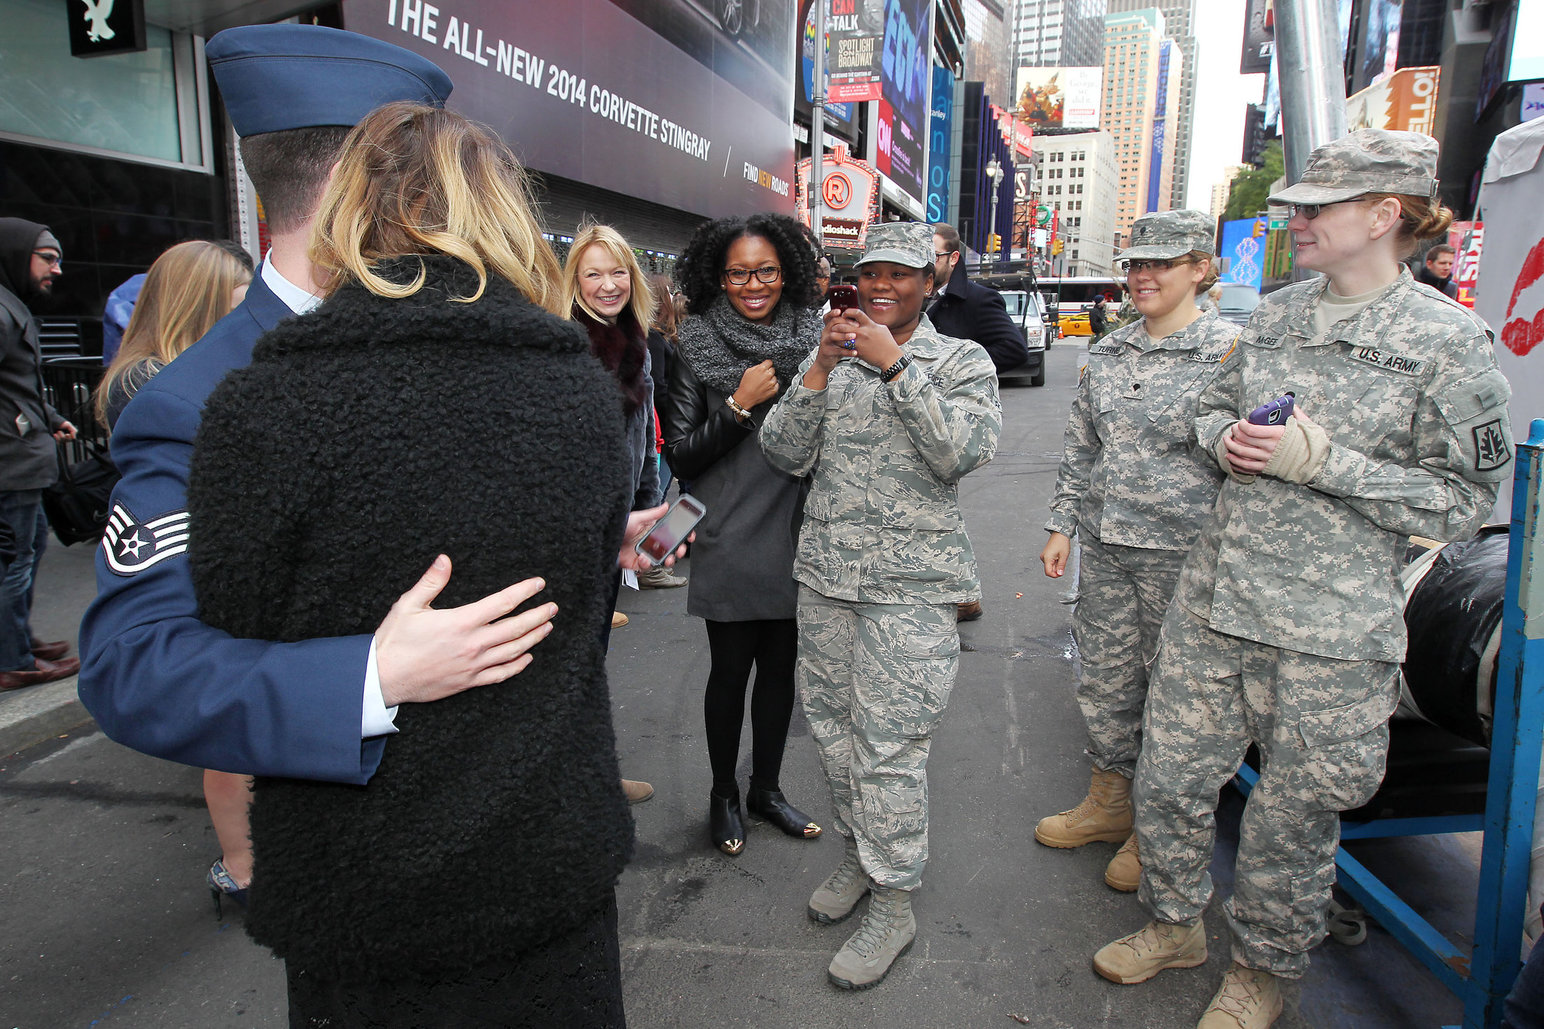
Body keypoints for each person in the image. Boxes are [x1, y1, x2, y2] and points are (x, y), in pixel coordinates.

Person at [187, 100, 635, 1027]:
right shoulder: (581, 398)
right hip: (546, 860)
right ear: (501, 215)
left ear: (348, 211)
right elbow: (582, 633)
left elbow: (229, 642)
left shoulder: (262, 408)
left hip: (362, 891)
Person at [1092, 129, 1514, 1028]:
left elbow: (1464, 501)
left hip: (1332, 630)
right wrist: (1227, 443)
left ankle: (1263, 971)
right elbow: (1213, 407)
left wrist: (1323, 463)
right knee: (1166, 779)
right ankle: (1174, 923)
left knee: (1291, 821)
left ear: (1383, 215)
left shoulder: (1448, 341)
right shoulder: (1276, 316)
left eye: (1317, 208)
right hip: (1217, 601)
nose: (1299, 222)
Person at [76, 26, 575, 784]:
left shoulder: (439, 335)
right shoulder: (199, 401)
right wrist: (372, 677)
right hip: (352, 854)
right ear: (372, 184)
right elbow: (134, 665)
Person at [762, 221, 1001, 990]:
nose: (882, 287)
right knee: (833, 735)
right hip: (828, 581)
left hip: (912, 591)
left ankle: (894, 902)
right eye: (872, 273)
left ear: (930, 283)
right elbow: (782, 452)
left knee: (889, 748)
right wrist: (820, 372)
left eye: (901, 275)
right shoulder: (829, 353)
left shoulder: (960, 361)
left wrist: (897, 368)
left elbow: (959, 452)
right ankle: (861, 863)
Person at [1035, 210, 1235, 895]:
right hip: (1110, 548)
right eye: (1134, 264)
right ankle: (1110, 800)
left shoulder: (1233, 354)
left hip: (1189, 556)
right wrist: (1062, 524)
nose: (1142, 276)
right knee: (1108, 680)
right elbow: (1083, 446)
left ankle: (1160, 833)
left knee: (1180, 702)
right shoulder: (1111, 352)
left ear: (1202, 269)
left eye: (1161, 264)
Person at [93, 239, 258, 911]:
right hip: (196, 564)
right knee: (231, 734)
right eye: (238, 303)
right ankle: (243, 865)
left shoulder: (162, 373)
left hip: (210, 556)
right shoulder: (156, 382)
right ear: (200, 301)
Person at [665, 212, 824, 857]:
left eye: (764, 271)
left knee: (782, 672)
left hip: (795, 528)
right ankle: (722, 794)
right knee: (731, 671)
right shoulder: (694, 345)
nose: (751, 284)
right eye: (737, 273)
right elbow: (680, 456)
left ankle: (767, 788)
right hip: (728, 528)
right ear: (717, 277)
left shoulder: (818, 343)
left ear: (786, 272)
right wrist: (737, 405)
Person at [562, 223, 661, 802]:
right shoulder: (563, 344)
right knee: (571, 665)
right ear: (574, 278)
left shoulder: (635, 341)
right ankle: (575, 784)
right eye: (594, 273)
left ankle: (589, 775)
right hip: (574, 536)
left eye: (618, 271)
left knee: (591, 660)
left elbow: (642, 440)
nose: (608, 285)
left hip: (614, 534)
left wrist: (648, 514)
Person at [929, 222, 1023, 623]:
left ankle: (963, 592)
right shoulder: (914, 296)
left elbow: (1013, 348)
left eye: (931, 255)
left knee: (940, 503)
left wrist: (959, 371)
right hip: (910, 409)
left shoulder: (978, 300)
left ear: (953, 258)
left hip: (953, 418)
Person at [0, 217, 79, 691]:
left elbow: (15, 386)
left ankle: (19, 642)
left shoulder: (11, 306)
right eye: (47, 258)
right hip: (11, 466)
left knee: (25, 556)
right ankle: (14, 657)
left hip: (21, 461)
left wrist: (48, 418)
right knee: (15, 563)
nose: (57, 269)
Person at [639, 271, 686, 589]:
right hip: (663, 431)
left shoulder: (656, 335)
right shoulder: (653, 338)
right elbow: (658, 385)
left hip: (664, 430)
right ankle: (651, 563)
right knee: (657, 498)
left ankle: (652, 560)